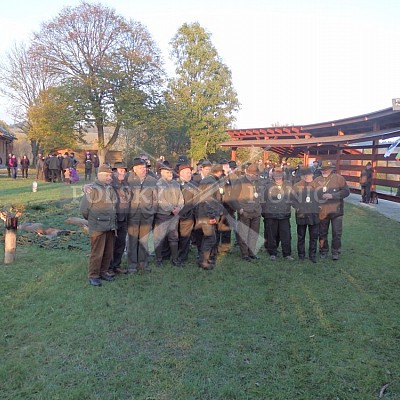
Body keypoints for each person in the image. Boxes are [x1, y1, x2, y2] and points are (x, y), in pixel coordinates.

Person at [80, 164, 117, 286]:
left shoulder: (110, 188)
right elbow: (84, 209)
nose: (109, 177)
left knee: (108, 251)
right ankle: (93, 275)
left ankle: (104, 272)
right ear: (99, 175)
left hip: (110, 225)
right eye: (106, 175)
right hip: (97, 226)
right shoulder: (92, 189)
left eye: (110, 175)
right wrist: (92, 220)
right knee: (97, 252)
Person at [314, 160, 350, 261]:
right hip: (322, 211)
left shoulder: (339, 179)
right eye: (322, 169)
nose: (324, 171)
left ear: (331, 169)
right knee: (322, 233)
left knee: (337, 233)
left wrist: (333, 196)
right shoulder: (316, 180)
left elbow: (346, 192)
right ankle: (323, 251)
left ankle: (335, 251)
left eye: (326, 169)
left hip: (336, 211)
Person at [127, 157, 157, 273]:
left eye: (144, 167)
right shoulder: (128, 180)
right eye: (140, 168)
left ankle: (143, 263)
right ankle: (132, 265)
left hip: (147, 215)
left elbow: (156, 199)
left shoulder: (152, 180)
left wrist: (151, 211)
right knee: (132, 240)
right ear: (134, 169)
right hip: (132, 215)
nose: (143, 169)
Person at [153, 162, 184, 267]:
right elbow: (161, 200)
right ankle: (158, 259)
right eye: (167, 172)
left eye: (170, 171)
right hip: (162, 215)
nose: (170, 173)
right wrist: (172, 209)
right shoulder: (159, 184)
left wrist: (179, 207)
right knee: (159, 238)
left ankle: (175, 259)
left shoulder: (176, 184)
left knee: (174, 237)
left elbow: (181, 197)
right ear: (162, 172)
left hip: (174, 215)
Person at [196, 163, 225, 270]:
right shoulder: (210, 182)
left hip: (205, 214)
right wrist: (212, 216)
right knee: (210, 238)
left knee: (209, 238)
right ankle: (203, 261)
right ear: (219, 172)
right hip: (206, 215)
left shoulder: (209, 180)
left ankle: (205, 259)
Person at [261, 167, 294, 261]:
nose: (278, 176)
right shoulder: (267, 185)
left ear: (283, 175)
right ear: (273, 175)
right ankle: (272, 253)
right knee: (271, 235)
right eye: (276, 174)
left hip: (284, 214)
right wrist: (264, 212)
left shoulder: (288, 185)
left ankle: (287, 254)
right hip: (271, 214)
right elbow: (263, 199)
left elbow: (293, 197)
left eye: (280, 174)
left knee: (286, 235)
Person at [232, 163, 262, 262]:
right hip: (244, 211)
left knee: (254, 233)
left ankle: (252, 252)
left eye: (257, 175)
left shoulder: (257, 182)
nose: (257, 176)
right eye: (255, 175)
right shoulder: (240, 181)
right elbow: (233, 197)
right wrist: (239, 209)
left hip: (256, 211)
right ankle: (245, 254)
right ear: (249, 174)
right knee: (244, 233)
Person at [291, 167, 322, 263]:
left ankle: (312, 255)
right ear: (302, 176)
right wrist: (298, 208)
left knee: (313, 236)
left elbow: (322, 198)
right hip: (301, 215)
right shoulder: (296, 186)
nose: (307, 177)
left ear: (312, 175)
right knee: (301, 236)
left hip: (314, 215)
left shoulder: (317, 185)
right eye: (305, 175)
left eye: (309, 175)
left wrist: (319, 206)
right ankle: (301, 255)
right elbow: (292, 199)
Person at [108, 161, 132, 275]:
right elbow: (94, 186)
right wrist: (85, 187)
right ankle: (108, 268)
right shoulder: (110, 183)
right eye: (121, 171)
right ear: (114, 172)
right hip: (113, 219)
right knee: (111, 245)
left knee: (121, 244)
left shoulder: (126, 183)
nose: (123, 173)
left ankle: (116, 266)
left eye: (124, 171)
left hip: (124, 218)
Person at [176, 164, 198, 265]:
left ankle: (182, 257)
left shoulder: (194, 184)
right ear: (180, 173)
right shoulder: (174, 183)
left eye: (190, 172)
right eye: (187, 172)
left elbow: (195, 201)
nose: (189, 174)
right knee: (173, 236)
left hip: (188, 215)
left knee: (185, 237)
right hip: (173, 215)